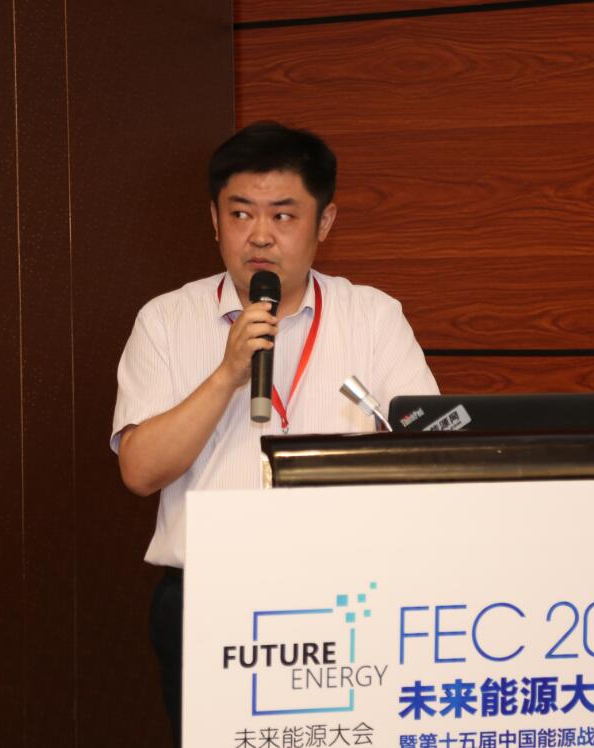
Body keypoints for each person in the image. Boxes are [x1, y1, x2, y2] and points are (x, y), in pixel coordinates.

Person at [110, 121, 438, 746]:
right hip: (207, 601)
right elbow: (139, 471)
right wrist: (227, 375)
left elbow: (426, 453)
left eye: (283, 216)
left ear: (325, 222)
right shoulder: (166, 321)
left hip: (349, 599)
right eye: (240, 213)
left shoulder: (373, 317)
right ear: (214, 220)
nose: (259, 235)